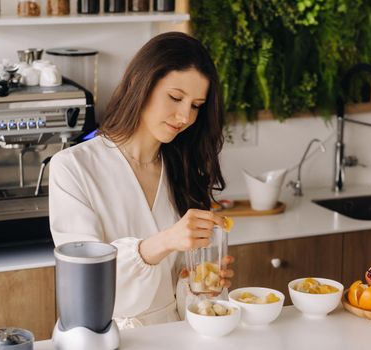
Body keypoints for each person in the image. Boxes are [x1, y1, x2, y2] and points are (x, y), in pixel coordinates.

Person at [49, 31, 234, 328]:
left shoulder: (183, 170)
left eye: (196, 105)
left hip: (171, 335)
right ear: (140, 83)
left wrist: (200, 285)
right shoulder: (72, 167)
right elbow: (88, 283)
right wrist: (164, 242)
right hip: (101, 338)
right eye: (175, 97)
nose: (185, 116)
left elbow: (176, 291)